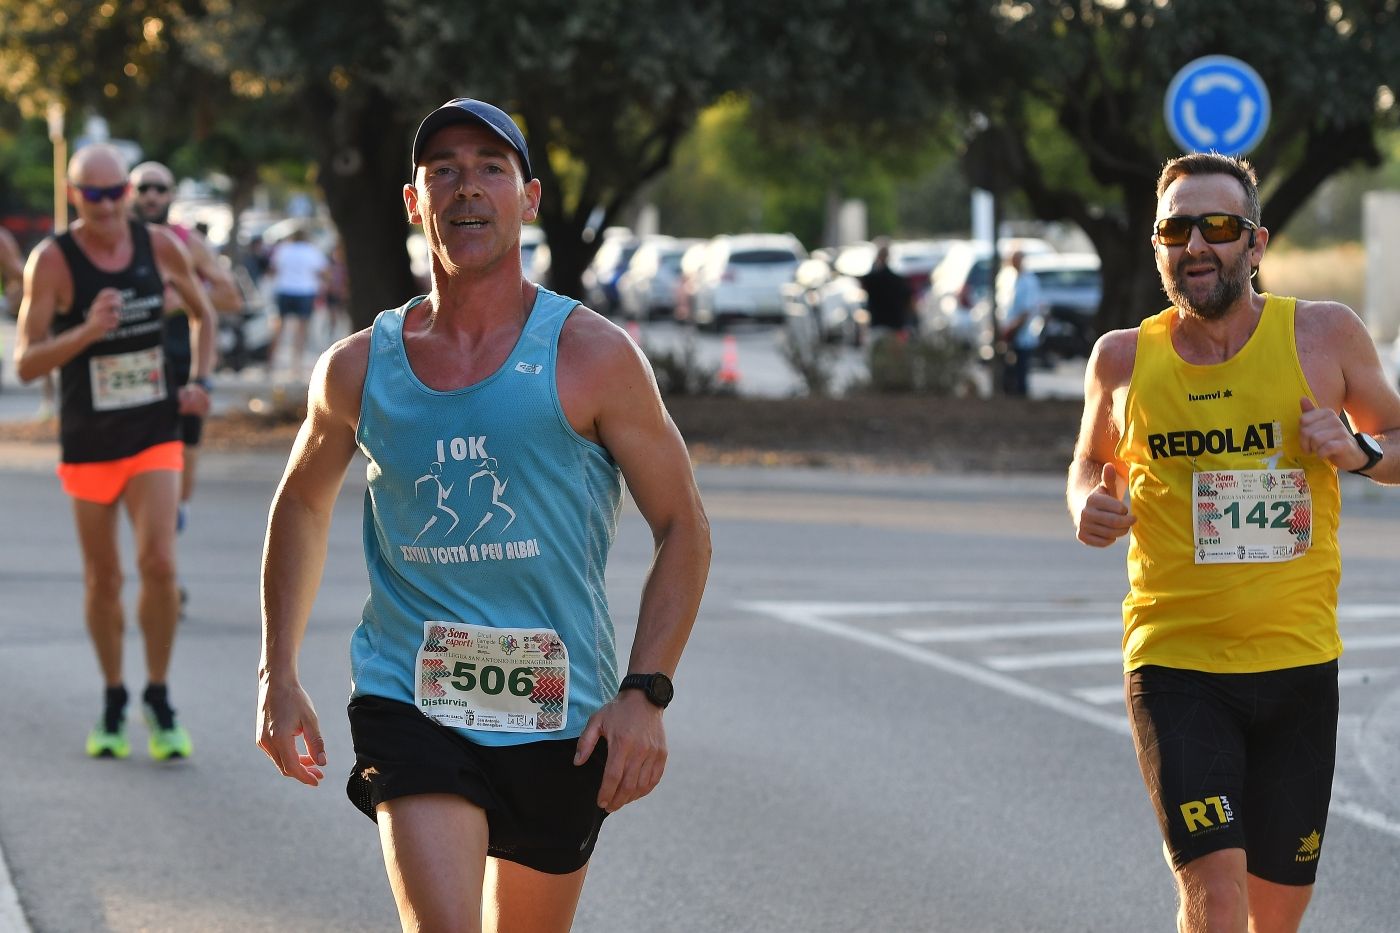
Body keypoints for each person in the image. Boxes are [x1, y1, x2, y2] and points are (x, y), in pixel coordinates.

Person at [256, 98, 712, 932]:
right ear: (414, 201)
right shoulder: (358, 368)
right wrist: (276, 672)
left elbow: (684, 524)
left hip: (557, 709)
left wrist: (646, 692)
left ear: (529, 198)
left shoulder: (592, 355)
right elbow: (302, 502)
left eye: (490, 169)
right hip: (410, 699)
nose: (466, 188)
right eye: (444, 171)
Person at [1068, 151, 1400, 933]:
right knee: (1216, 899)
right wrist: (1087, 503)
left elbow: (1395, 436)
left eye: (1218, 226)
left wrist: (1358, 451)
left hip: (1298, 667)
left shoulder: (1323, 335)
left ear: (1256, 243)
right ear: (1157, 246)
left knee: (1275, 917)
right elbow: (1087, 462)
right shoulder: (1122, 358)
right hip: (1176, 663)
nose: (1196, 244)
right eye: (1176, 229)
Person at [13, 142, 217, 760]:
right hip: (89, 440)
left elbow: (204, 314)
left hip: (154, 430)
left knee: (159, 563)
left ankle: (158, 695)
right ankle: (112, 697)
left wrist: (200, 383)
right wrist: (87, 331)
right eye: (93, 194)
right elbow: (25, 363)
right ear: (74, 195)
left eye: (115, 193)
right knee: (103, 578)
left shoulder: (159, 247)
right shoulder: (53, 261)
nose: (106, 206)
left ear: (128, 192)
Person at [129, 160, 242, 540]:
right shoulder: (119, 240)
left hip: (182, 358)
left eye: (159, 188)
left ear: (172, 195)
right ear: (130, 193)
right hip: (132, 361)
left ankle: (179, 507)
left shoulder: (187, 242)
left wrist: (181, 300)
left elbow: (230, 296)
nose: (151, 196)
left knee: (187, 439)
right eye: (144, 188)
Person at [265, 225, 328, 379]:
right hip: (305, 291)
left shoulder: (283, 249)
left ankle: (271, 361)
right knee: (301, 329)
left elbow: (273, 270)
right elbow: (323, 272)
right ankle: (296, 366)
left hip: (284, 289)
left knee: (279, 326)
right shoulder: (312, 251)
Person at [998, 249, 1041, 397]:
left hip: (1022, 333)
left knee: (1021, 370)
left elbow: (1027, 310)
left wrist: (1013, 329)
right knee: (1008, 370)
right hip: (1009, 331)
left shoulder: (1029, 281)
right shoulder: (1009, 278)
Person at [858, 238, 913, 336]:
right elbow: (908, 300)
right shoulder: (898, 280)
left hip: (877, 324)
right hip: (895, 324)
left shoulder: (871, 279)